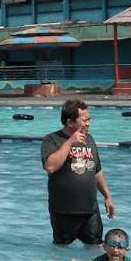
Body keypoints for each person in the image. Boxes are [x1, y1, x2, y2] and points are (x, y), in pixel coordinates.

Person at [40, 99, 115, 245]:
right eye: (85, 120)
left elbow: (96, 170)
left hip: (90, 210)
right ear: (70, 123)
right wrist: (70, 142)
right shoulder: (52, 140)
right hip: (63, 211)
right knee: (62, 250)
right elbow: (50, 167)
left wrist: (107, 197)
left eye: (89, 120)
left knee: (95, 247)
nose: (88, 124)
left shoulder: (90, 139)